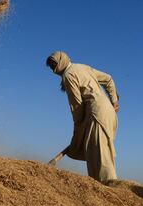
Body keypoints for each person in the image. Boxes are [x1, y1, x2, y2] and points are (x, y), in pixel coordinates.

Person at [46, 51, 119, 183]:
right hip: (107, 112)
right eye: (51, 67)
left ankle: (109, 188)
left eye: (53, 65)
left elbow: (77, 107)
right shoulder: (82, 67)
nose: (53, 70)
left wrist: (77, 129)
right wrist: (114, 101)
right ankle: (102, 188)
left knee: (101, 156)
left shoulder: (68, 76)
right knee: (95, 151)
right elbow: (108, 79)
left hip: (96, 114)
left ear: (61, 61)